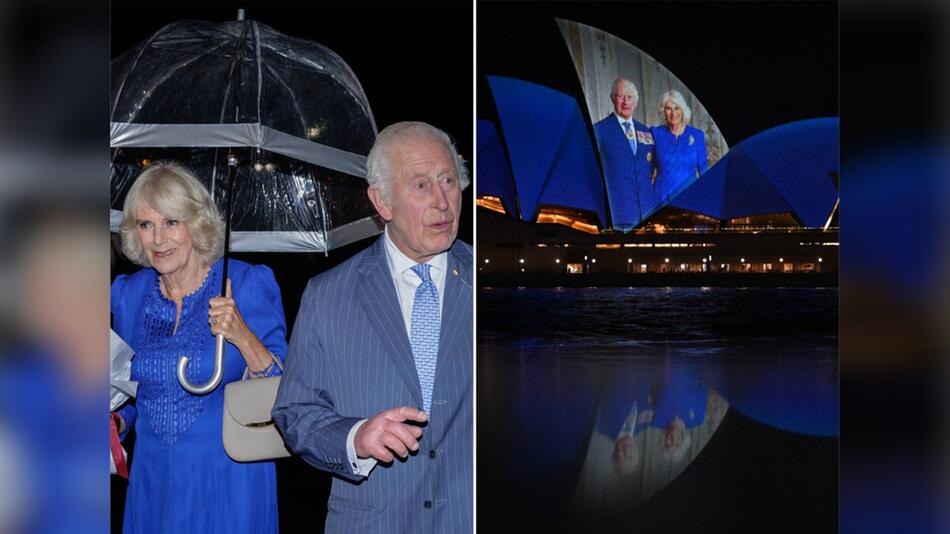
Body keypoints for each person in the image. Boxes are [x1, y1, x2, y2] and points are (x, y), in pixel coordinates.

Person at [273, 121, 473, 533]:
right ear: (382, 202)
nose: (442, 202)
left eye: (449, 181)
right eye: (421, 185)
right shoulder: (326, 295)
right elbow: (295, 412)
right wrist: (355, 438)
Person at [111, 162, 287, 533]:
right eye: (146, 225)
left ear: (198, 223)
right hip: (152, 484)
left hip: (230, 485)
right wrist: (115, 421)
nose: (158, 239)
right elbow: (127, 389)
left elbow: (287, 392)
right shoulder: (128, 294)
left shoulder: (244, 282)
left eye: (172, 222)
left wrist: (243, 335)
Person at [592, 78, 656, 232]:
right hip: (618, 217)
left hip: (647, 217)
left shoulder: (645, 131)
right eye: (621, 96)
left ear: (636, 100)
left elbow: (653, 169)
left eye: (630, 97)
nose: (626, 102)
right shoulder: (599, 130)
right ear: (613, 98)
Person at [650, 89, 709, 208]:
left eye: (677, 108)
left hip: (690, 199)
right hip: (660, 201)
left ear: (683, 110)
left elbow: (704, 172)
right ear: (663, 111)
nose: (673, 113)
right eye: (668, 108)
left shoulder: (697, 135)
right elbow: (647, 169)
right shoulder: (655, 133)